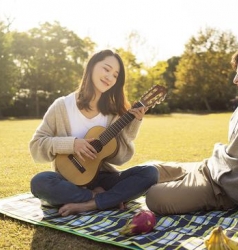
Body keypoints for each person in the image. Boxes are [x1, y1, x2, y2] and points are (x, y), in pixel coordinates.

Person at [29, 49, 159, 216]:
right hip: (70, 180)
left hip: (102, 178)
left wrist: (135, 122)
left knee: (150, 173)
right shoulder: (62, 106)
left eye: (115, 75)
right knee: (40, 182)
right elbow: (36, 145)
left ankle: (88, 204)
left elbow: (121, 158)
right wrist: (72, 144)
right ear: (91, 67)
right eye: (106, 69)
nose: (109, 77)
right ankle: (100, 198)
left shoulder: (114, 113)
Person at [145, 46, 238, 215]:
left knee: (154, 196)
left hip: (219, 189)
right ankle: (98, 190)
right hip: (210, 167)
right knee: (148, 168)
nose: (235, 79)